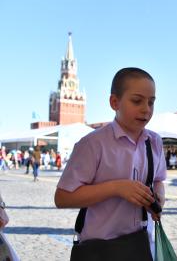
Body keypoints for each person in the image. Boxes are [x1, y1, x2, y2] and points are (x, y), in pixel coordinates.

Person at [54, 67, 166, 259]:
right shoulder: (92, 144)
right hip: (100, 248)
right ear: (115, 102)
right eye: (137, 101)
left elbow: (158, 179)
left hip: (142, 245)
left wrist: (158, 199)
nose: (146, 109)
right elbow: (63, 198)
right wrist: (116, 188)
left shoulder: (154, 142)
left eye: (151, 102)